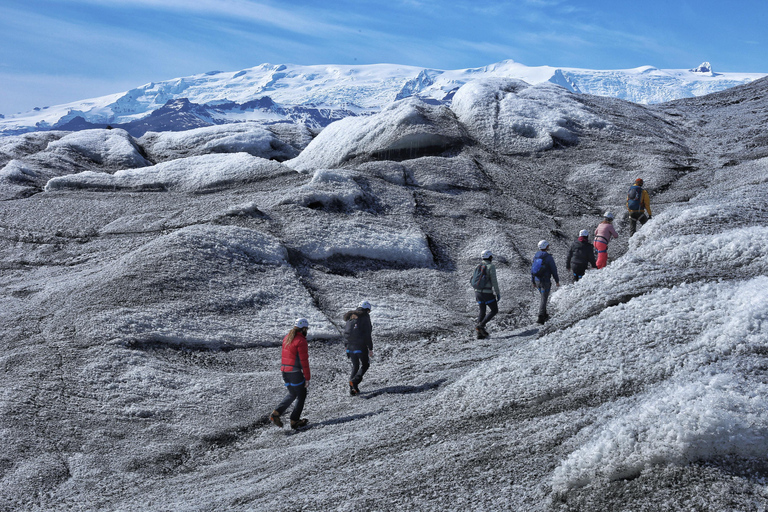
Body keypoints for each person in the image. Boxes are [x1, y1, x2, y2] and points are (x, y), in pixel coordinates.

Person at [270, 318, 311, 429]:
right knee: (301, 395)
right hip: (294, 373)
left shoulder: (287, 337)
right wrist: (307, 378)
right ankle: (294, 420)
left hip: (285, 371)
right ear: (303, 328)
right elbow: (304, 361)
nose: (307, 331)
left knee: (292, 393)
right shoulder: (301, 341)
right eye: (306, 329)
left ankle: (276, 413)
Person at [343, 300, 373, 396]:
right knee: (365, 364)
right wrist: (370, 348)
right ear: (367, 309)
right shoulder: (364, 317)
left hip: (349, 346)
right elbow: (367, 334)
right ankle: (354, 381)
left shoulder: (351, 316)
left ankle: (352, 389)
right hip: (359, 345)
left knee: (355, 365)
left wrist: (346, 346)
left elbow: (346, 332)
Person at [471, 249, 501, 339]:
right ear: (490, 257)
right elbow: (494, 281)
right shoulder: (491, 266)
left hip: (477, 293)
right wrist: (497, 293)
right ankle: (481, 326)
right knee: (494, 310)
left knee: (482, 311)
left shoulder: (478, 266)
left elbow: (473, 279)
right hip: (487, 293)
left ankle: (479, 333)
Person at [531, 240, 559, 324]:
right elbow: (554, 270)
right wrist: (557, 281)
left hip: (537, 280)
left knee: (543, 297)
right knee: (544, 299)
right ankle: (540, 317)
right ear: (546, 246)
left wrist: (533, 281)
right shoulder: (548, 257)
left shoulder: (536, 256)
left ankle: (545, 314)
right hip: (545, 281)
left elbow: (532, 269)